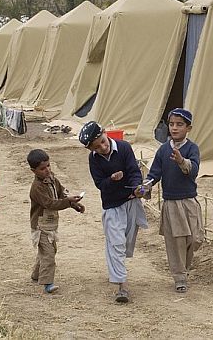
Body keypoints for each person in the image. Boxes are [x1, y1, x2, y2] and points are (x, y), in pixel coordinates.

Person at [79, 121, 148, 303]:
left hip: (131, 201)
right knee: (115, 243)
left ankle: (118, 270)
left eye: (103, 141)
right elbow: (100, 185)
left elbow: (134, 171)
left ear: (105, 133)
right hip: (112, 205)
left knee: (125, 242)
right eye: (97, 147)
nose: (103, 147)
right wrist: (111, 179)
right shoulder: (94, 159)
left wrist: (137, 187)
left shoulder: (124, 147)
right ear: (91, 150)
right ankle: (121, 286)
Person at [143, 108, 203, 293]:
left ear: (188, 128)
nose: (175, 128)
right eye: (171, 124)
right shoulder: (162, 150)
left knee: (195, 238)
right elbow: (155, 174)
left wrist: (181, 161)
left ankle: (183, 268)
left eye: (179, 125)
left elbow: (193, 170)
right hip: (172, 203)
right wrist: (146, 185)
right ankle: (179, 277)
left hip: (189, 201)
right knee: (176, 241)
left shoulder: (192, 148)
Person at [27, 149, 85, 294]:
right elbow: (50, 204)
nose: (47, 170)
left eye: (48, 166)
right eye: (42, 168)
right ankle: (48, 283)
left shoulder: (52, 179)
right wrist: (68, 202)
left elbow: (61, 193)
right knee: (48, 254)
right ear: (33, 171)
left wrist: (75, 204)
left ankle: (36, 275)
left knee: (49, 251)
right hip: (41, 226)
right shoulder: (37, 188)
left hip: (51, 223)